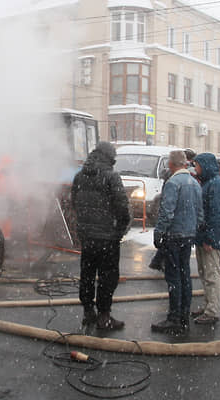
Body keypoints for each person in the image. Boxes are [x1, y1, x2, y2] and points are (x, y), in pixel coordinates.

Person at [70, 141, 132, 330]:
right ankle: (104, 316)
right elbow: (122, 207)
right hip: (107, 238)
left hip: (87, 237)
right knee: (107, 277)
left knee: (87, 274)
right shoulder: (111, 177)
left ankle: (89, 312)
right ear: (109, 157)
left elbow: (74, 203)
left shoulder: (80, 176)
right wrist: (120, 229)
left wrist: (84, 225)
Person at [151, 150, 201, 334]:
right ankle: (184, 314)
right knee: (185, 275)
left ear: (171, 164)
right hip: (188, 235)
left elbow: (167, 211)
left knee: (173, 277)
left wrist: (159, 232)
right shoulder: (194, 183)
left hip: (174, 236)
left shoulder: (173, 183)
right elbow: (199, 211)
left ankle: (174, 318)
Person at [191, 152, 220, 325]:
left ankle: (212, 311)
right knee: (205, 273)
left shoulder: (216, 185)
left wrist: (211, 239)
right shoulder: (208, 183)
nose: (195, 168)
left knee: (212, 274)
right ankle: (208, 306)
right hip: (203, 237)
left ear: (205, 166)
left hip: (209, 240)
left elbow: (217, 214)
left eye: (197, 165)